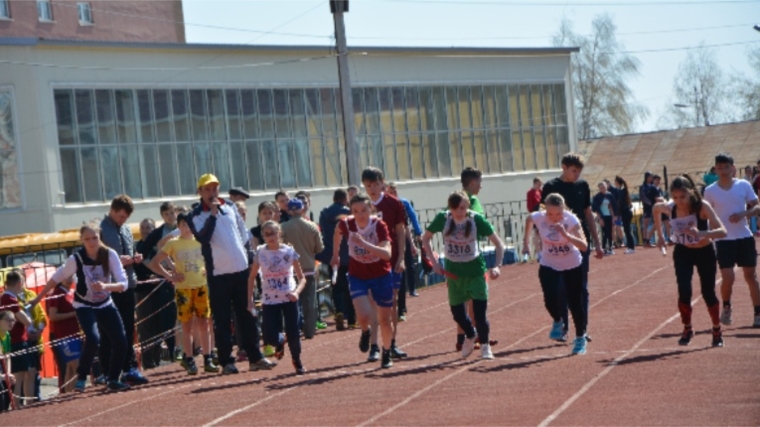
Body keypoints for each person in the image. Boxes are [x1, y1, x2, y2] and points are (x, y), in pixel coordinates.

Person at [186, 173, 274, 374]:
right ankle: (226, 361)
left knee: (248, 316)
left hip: (242, 271)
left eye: (215, 188)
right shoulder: (196, 215)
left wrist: (252, 260)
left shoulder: (231, 207)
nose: (212, 193)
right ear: (199, 192)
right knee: (223, 319)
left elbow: (244, 237)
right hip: (218, 275)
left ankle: (255, 357)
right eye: (207, 189)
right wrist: (213, 215)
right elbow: (203, 238)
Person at [31, 222, 131, 392]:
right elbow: (57, 277)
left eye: (95, 238)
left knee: (121, 340)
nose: (92, 242)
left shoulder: (109, 254)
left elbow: (124, 283)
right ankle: (82, 376)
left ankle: (113, 378)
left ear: (100, 238)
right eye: (87, 239)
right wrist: (38, 298)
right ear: (82, 240)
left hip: (105, 302)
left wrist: (106, 287)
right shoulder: (75, 259)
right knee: (93, 338)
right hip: (84, 304)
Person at [422, 191, 505, 359]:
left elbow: (499, 244)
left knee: (479, 314)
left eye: (462, 208)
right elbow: (425, 239)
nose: (459, 212)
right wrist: (434, 262)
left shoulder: (476, 220)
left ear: (467, 206)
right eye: (455, 208)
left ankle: (485, 346)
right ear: (449, 207)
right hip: (454, 275)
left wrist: (497, 266)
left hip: (475, 273)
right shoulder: (443, 219)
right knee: (457, 314)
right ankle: (470, 334)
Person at [653, 175, 727, 346]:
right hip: (683, 252)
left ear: (691, 193)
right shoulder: (670, 208)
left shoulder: (702, 206)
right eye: (675, 197)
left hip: (704, 252)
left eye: (683, 197)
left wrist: (702, 234)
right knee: (684, 291)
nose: (679, 201)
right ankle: (687, 328)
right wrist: (660, 236)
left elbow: (722, 231)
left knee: (708, 292)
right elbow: (656, 209)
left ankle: (716, 329)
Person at [148, 212, 220, 375]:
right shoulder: (174, 243)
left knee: (204, 322)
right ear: (178, 227)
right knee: (186, 324)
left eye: (188, 225)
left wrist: (208, 270)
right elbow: (154, 262)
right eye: (182, 225)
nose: (186, 228)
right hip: (183, 289)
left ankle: (208, 356)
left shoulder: (201, 241)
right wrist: (170, 275)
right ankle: (189, 358)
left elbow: (213, 258)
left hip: (200, 286)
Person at [540, 153, 602, 341]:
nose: (576, 175)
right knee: (559, 287)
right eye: (573, 171)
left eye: (579, 171)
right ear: (564, 167)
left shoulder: (582, 186)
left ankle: (582, 329)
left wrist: (597, 242)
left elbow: (588, 214)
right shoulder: (551, 187)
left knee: (581, 288)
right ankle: (562, 326)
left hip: (577, 243)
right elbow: (542, 216)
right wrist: (540, 244)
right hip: (555, 246)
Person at [332, 193, 396, 369]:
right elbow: (337, 232)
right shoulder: (347, 224)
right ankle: (366, 331)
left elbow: (387, 254)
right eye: (355, 211)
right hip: (358, 274)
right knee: (364, 315)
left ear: (371, 209)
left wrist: (364, 244)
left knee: (384, 319)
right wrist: (336, 255)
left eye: (364, 210)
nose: (360, 215)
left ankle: (386, 351)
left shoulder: (378, 225)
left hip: (381, 275)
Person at [523, 193, 590, 354]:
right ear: (545, 210)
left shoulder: (571, 220)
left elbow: (584, 246)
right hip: (549, 263)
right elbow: (528, 220)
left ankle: (580, 338)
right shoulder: (539, 217)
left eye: (558, 213)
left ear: (564, 209)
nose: (554, 218)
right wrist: (525, 244)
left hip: (572, 264)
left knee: (575, 303)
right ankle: (558, 321)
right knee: (549, 299)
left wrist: (566, 235)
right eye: (550, 214)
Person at [703, 153, 760, 328]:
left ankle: (758, 313)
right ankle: (726, 307)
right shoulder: (710, 190)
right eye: (719, 168)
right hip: (723, 239)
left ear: (733, 168)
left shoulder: (743, 185)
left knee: (750, 276)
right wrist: (708, 232)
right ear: (715, 169)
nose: (723, 171)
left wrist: (744, 213)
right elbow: (705, 212)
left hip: (744, 237)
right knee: (728, 277)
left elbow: (757, 206)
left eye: (726, 167)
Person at [99, 195, 149, 386]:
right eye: (120, 216)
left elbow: (128, 252)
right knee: (109, 332)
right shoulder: (101, 230)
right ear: (112, 211)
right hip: (109, 287)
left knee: (128, 329)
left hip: (127, 284)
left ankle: (129, 369)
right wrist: (120, 260)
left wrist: (135, 257)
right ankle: (106, 371)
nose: (123, 220)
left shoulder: (127, 229)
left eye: (125, 217)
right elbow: (98, 258)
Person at [249, 220, 308, 375]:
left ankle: (297, 361)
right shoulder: (260, 253)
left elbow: (302, 278)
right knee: (269, 336)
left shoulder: (288, 252)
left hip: (289, 296)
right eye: (266, 234)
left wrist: (296, 292)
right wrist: (250, 300)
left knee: (294, 331)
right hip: (269, 299)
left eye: (273, 233)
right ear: (263, 236)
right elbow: (251, 277)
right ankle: (280, 341)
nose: (270, 236)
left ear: (279, 233)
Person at [361, 167, 408, 360]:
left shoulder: (394, 204)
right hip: (369, 261)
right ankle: (373, 346)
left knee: (392, 303)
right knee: (373, 304)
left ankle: (392, 343)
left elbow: (400, 231)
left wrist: (401, 257)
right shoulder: (360, 205)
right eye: (368, 185)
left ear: (383, 183)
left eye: (375, 184)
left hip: (391, 259)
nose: (372, 189)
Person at [136, 203, 181, 369]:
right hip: (165, 281)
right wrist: (162, 272)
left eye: (172, 213)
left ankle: (182, 351)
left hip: (186, 275)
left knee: (179, 317)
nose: (170, 216)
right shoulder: (157, 234)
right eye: (167, 214)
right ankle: (167, 353)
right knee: (162, 319)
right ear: (162, 216)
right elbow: (144, 256)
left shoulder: (183, 228)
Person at [282, 198, 324, 339]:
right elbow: (319, 248)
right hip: (308, 267)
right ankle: (309, 331)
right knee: (309, 301)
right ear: (301, 209)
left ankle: (292, 330)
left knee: (290, 302)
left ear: (289, 210)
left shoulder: (283, 227)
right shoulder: (312, 226)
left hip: (290, 269)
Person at [316, 189, 356, 331]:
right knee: (350, 287)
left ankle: (339, 310)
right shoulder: (350, 211)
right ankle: (351, 318)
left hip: (332, 254)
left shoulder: (324, 212)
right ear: (345, 199)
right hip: (349, 254)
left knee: (336, 285)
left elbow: (322, 232)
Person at [387, 182, 423, 306]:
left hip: (403, 234)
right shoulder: (385, 205)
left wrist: (418, 232)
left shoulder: (403, 203)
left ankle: (412, 288)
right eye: (390, 192)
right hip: (391, 238)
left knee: (409, 262)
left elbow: (412, 217)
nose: (393, 195)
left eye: (394, 192)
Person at [0, 271, 34, 404]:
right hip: (17, 340)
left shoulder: (4, 298)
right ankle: (18, 405)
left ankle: (21, 403)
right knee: (19, 376)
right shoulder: (10, 299)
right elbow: (26, 321)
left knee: (25, 373)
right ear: (19, 283)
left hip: (13, 340)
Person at [45, 275, 81, 393]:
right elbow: (53, 316)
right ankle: (72, 393)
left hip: (74, 333)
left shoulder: (71, 292)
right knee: (75, 366)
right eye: (66, 276)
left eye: (71, 276)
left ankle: (68, 393)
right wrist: (73, 314)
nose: (69, 278)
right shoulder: (57, 293)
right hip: (63, 334)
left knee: (70, 368)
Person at [592, 182, 617, 255]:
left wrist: (613, 217)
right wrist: (600, 219)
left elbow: (612, 206)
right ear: (599, 188)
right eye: (601, 187)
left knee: (610, 233)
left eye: (604, 187)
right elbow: (596, 209)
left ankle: (610, 247)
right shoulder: (597, 197)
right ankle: (603, 248)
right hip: (602, 217)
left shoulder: (610, 195)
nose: (603, 188)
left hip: (609, 216)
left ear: (606, 187)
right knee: (604, 233)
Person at [614, 176, 636, 254]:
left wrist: (617, 214)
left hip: (625, 213)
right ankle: (631, 247)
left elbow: (619, 204)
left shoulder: (620, 192)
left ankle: (631, 247)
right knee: (628, 230)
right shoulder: (624, 191)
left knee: (627, 230)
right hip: (627, 212)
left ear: (617, 183)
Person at [1, 310, 17, 411]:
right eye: (8, 320)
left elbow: (7, 356)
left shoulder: (7, 335)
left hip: (2, 365)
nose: (11, 323)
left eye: (13, 320)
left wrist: (8, 373)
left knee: (11, 383)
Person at [639, 172, 657, 247]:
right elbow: (643, 197)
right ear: (646, 177)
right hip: (647, 208)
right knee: (645, 224)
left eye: (652, 177)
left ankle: (648, 239)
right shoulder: (643, 187)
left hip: (654, 207)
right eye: (650, 177)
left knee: (656, 223)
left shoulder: (653, 186)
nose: (651, 178)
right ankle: (645, 240)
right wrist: (650, 204)